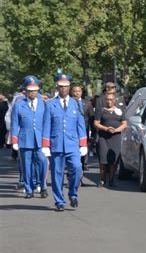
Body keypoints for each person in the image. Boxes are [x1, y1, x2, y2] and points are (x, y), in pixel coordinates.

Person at [42, 73, 88, 211]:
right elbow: (46, 126)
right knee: (57, 174)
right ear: (57, 87)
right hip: (56, 144)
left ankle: (73, 193)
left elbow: (81, 125)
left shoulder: (76, 104)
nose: (63, 89)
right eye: (61, 87)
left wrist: (83, 144)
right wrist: (45, 145)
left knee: (77, 168)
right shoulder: (50, 105)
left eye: (66, 87)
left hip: (72, 144)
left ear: (70, 87)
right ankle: (59, 201)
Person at [11, 76, 49, 199]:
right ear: (25, 91)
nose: (33, 92)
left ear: (38, 90)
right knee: (26, 166)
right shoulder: (19, 104)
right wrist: (14, 140)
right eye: (30, 90)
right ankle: (29, 189)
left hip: (40, 140)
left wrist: (47, 141)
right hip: (24, 139)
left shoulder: (44, 103)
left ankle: (43, 187)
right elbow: (15, 123)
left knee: (42, 163)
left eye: (35, 90)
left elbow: (46, 123)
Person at [94, 92, 127, 187]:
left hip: (115, 137)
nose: (109, 101)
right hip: (103, 137)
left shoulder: (120, 111)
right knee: (103, 159)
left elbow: (124, 123)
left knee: (113, 160)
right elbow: (96, 123)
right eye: (107, 99)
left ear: (115, 100)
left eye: (111, 99)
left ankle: (111, 180)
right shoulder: (101, 110)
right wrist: (106, 129)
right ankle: (102, 179)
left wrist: (117, 130)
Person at [70, 84, 94, 174]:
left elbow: (91, 119)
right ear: (71, 92)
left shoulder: (87, 103)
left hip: (84, 131)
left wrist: (94, 134)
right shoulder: (68, 102)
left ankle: (84, 164)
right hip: (71, 132)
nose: (77, 93)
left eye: (79, 91)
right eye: (75, 91)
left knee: (83, 150)